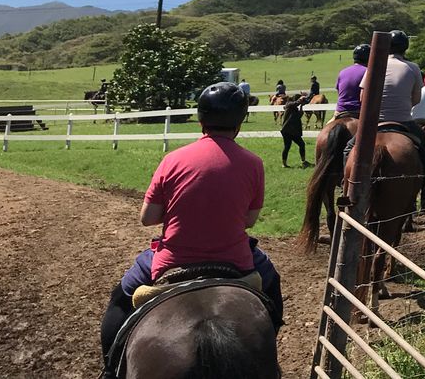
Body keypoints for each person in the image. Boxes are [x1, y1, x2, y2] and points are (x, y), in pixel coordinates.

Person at [100, 83, 282, 369]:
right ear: (240, 122)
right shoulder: (254, 163)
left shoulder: (172, 160)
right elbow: (249, 220)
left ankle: (111, 369)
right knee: (271, 283)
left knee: (120, 299)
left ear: (201, 120)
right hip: (237, 259)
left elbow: (148, 218)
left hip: (172, 259)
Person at [358, 30, 425, 208]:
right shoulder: (413, 67)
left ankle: (347, 185)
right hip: (403, 121)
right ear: (405, 48)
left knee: (348, 149)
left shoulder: (374, 65)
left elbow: (363, 97)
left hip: (375, 123)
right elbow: (416, 99)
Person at [336, 44, 368, 118]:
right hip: (359, 111)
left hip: (340, 111)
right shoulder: (368, 72)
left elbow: (339, 92)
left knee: (328, 124)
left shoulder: (342, 72)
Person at [280, 94, 310, 168]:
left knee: (301, 144)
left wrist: (301, 106)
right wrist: (301, 99)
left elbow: (299, 116)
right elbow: (295, 103)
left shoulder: (294, 108)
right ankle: (284, 163)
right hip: (288, 130)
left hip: (292, 131)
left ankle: (303, 161)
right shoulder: (289, 104)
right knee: (287, 147)